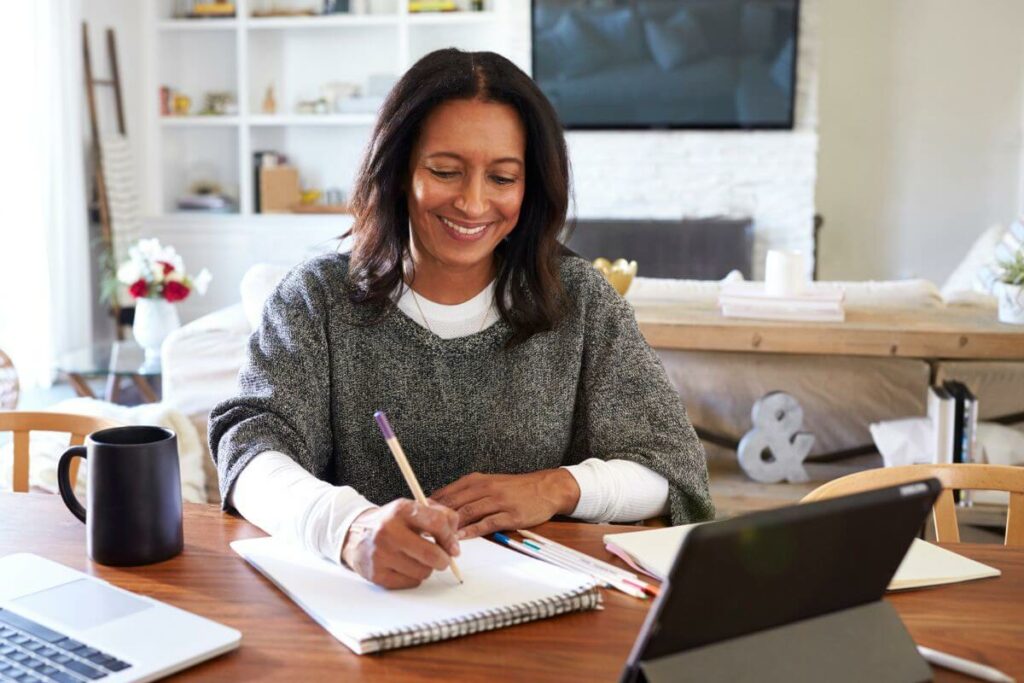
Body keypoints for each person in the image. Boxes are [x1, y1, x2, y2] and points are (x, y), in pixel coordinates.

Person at [209, 48, 713, 590]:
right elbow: (250, 450)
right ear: (400, 170)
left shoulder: (581, 300)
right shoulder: (318, 299)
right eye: (445, 171)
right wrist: (347, 528)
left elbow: (674, 472)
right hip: (370, 608)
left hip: (540, 611)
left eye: (502, 178)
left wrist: (554, 487)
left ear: (531, 186)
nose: (473, 205)